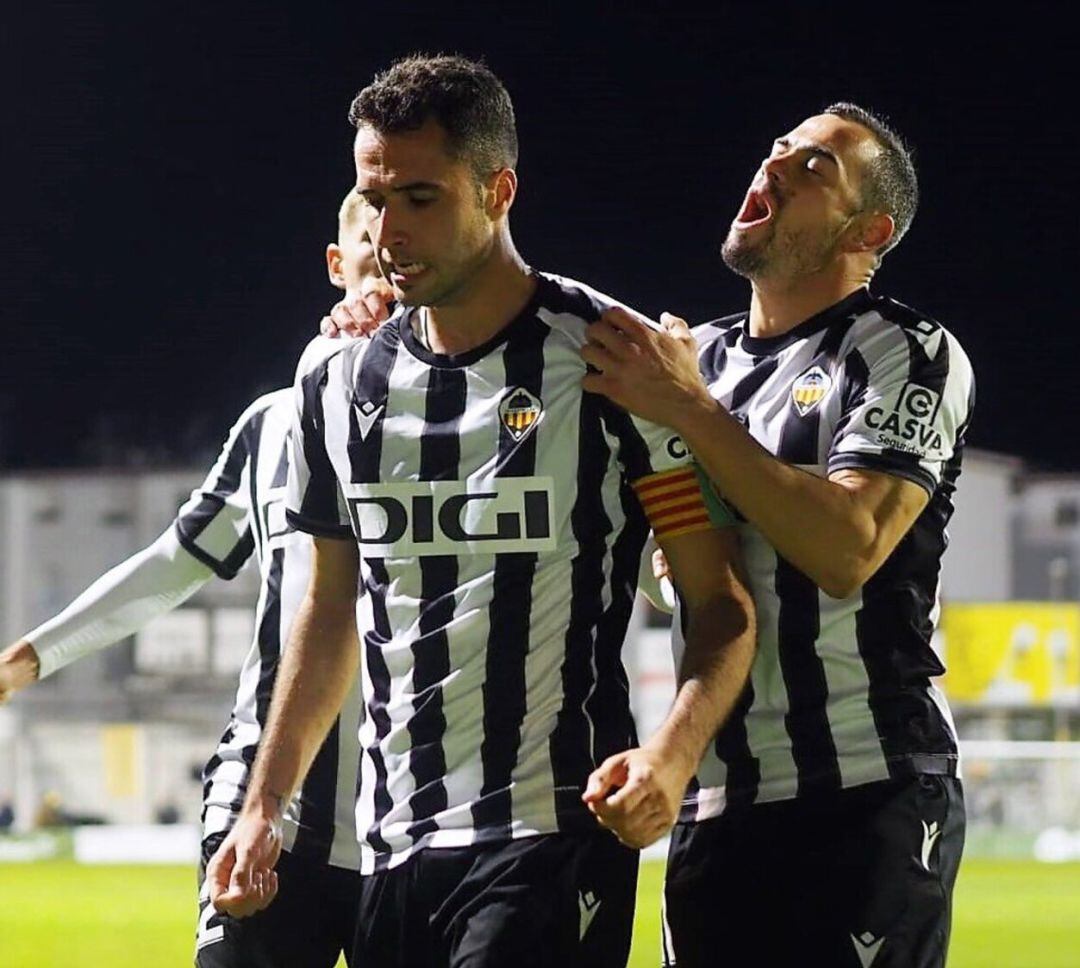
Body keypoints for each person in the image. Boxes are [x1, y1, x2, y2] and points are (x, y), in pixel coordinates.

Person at [208, 54, 756, 968]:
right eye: (373, 199)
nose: (388, 232)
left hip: (551, 828)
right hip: (392, 848)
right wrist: (267, 805)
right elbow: (328, 608)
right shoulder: (337, 383)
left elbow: (720, 601)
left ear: (499, 190)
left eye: (420, 199)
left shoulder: (614, 362)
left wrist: (671, 753)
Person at [581, 103, 974, 967]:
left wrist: (689, 411)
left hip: (866, 790)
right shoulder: (698, 360)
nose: (776, 166)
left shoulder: (905, 350)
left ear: (867, 230)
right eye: (779, 149)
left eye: (813, 170)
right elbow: (661, 562)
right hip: (716, 797)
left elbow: (848, 549)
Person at [0, 196, 391, 968]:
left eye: (400, 272)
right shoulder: (272, 425)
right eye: (371, 265)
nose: (384, 289)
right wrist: (31, 656)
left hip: (410, 815)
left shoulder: (470, 424)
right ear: (335, 266)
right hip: (263, 808)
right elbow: (173, 563)